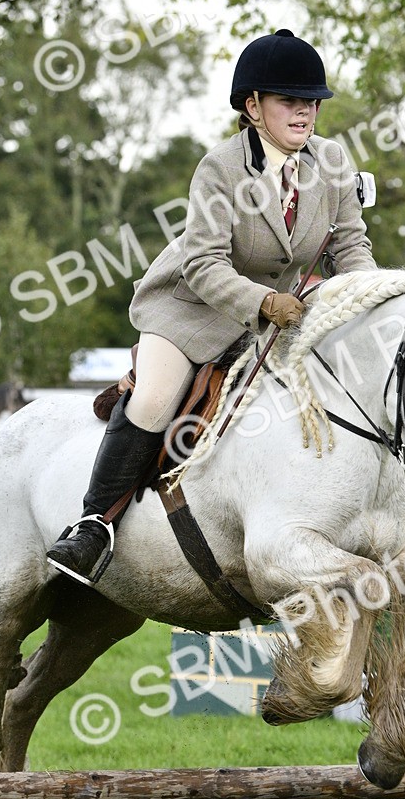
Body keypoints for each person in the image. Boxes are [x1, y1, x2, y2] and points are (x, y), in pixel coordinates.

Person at [47, 28, 377, 585]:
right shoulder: (220, 167)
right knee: (153, 399)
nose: (304, 114)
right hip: (193, 308)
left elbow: (351, 243)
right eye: (289, 102)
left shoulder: (333, 160)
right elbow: (202, 265)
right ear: (252, 107)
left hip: (280, 315)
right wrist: (265, 301)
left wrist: (368, 299)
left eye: (311, 103)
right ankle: (93, 525)